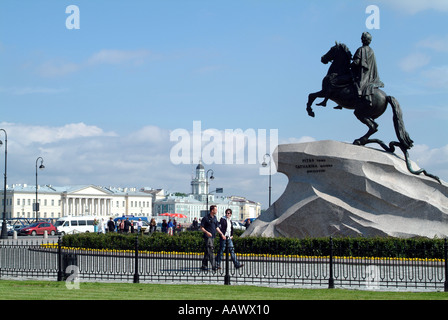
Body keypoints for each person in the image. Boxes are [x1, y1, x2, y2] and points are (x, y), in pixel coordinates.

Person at [351, 32, 384, 107]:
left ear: (362, 40)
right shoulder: (371, 51)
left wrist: (349, 65)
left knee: (350, 80)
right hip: (370, 75)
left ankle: (357, 94)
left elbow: (356, 62)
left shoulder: (360, 50)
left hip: (362, 75)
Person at [200, 205, 219, 271]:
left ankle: (204, 265)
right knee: (211, 250)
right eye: (215, 210)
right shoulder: (205, 218)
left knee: (207, 251)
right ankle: (214, 266)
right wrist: (207, 232)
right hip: (207, 237)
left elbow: (216, 227)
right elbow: (201, 227)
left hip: (213, 236)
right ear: (212, 210)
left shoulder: (215, 218)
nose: (216, 211)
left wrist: (221, 234)